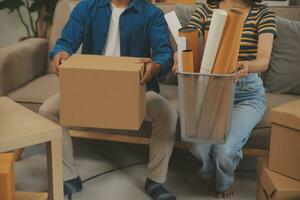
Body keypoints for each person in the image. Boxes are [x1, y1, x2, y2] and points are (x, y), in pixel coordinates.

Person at [39, 0, 177, 199]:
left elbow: (164, 53)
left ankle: (156, 181)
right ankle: (68, 177)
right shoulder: (87, 7)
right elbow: (65, 42)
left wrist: (155, 67)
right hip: (91, 88)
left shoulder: (152, 13)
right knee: (47, 110)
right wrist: (60, 53)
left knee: (167, 114)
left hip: (137, 90)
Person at [173, 0, 276, 198]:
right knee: (198, 146)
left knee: (225, 150)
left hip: (246, 92)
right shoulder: (206, 10)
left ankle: (223, 182)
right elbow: (186, 42)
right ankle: (212, 172)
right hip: (211, 90)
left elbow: (263, 60)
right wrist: (179, 57)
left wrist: (247, 65)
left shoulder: (262, 13)